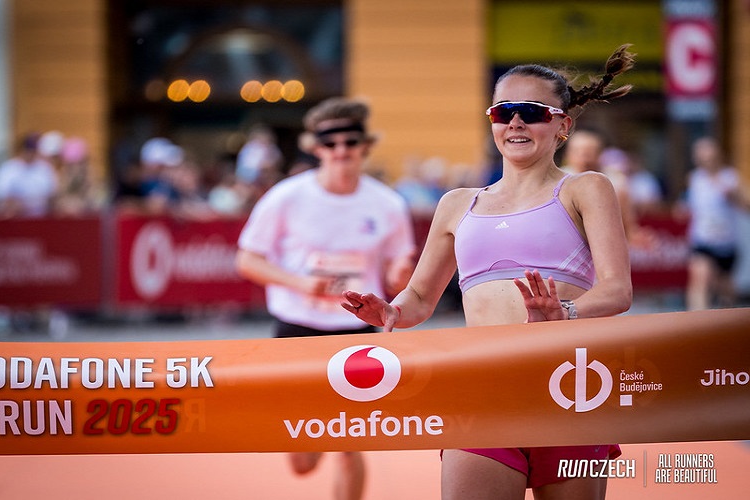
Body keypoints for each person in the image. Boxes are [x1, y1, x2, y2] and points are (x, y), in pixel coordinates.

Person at [342, 45, 635, 499]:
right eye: (503, 112)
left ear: (563, 125)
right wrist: (390, 312)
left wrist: (564, 314)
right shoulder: (458, 203)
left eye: (531, 112)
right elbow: (419, 298)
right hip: (484, 390)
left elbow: (617, 291)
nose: (515, 122)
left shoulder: (585, 188)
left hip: (568, 389)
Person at [235, 97, 416, 500]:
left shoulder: (387, 204)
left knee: (352, 445)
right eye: (329, 142)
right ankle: (314, 436)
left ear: (365, 145)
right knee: (301, 461)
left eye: (350, 141)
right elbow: (247, 258)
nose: (340, 151)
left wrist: (400, 273)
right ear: (314, 146)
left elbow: (395, 268)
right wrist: (302, 284)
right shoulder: (286, 197)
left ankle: (338, 440)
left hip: (355, 330)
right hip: (296, 328)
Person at [681, 136, 742, 310]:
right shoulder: (694, 179)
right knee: (699, 279)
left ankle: (729, 317)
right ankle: (696, 323)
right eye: (702, 157)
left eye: (709, 156)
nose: (706, 161)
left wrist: (734, 196)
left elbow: (746, 205)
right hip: (702, 238)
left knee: (725, 286)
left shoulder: (731, 178)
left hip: (725, 239)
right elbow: (690, 205)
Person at [0, 132, 59, 218]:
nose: (30, 154)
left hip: (41, 219)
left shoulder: (45, 168)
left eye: (33, 150)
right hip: (15, 220)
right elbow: (0, 196)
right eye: (28, 150)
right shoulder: (8, 169)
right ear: (22, 149)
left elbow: (53, 196)